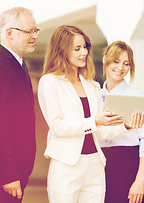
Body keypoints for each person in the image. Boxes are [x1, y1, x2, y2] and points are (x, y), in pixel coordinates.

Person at [38, 25, 142, 203]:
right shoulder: (50, 81)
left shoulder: (91, 85)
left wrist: (126, 126)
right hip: (67, 165)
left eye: (85, 47)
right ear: (62, 51)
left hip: (95, 165)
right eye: (77, 48)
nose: (84, 52)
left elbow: (100, 132)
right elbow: (57, 127)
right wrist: (94, 121)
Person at [0, 7, 37, 202]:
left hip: (20, 166)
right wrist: (7, 174)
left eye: (35, 31)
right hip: (8, 173)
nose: (34, 36)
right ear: (9, 33)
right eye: (28, 31)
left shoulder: (18, 64)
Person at [99, 41, 144, 203]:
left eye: (126, 64)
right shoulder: (93, 96)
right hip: (98, 166)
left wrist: (140, 181)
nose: (120, 68)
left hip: (129, 164)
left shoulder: (139, 96)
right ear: (105, 60)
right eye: (116, 61)